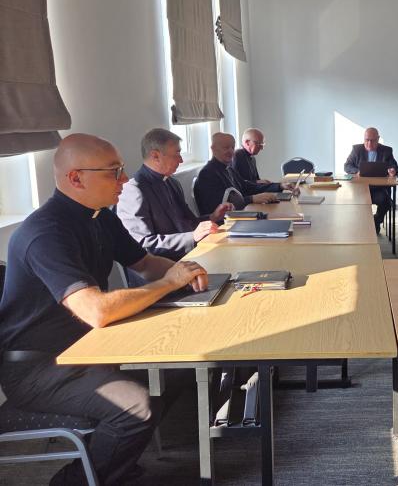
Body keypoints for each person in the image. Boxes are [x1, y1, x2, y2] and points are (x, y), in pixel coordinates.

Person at [0, 134, 209, 485]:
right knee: (137, 406)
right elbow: (96, 311)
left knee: (177, 369)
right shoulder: (45, 233)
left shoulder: (99, 217)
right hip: (39, 367)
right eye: (114, 172)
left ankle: (114, 458)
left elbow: (145, 263)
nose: (124, 179)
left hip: (88, 347)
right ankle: (76, 480)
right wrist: (169, 283)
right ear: (76, 178)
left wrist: (188, 272)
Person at [117, 128, 233, 262]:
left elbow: (188, 223)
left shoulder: (172, 182)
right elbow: (143, 244)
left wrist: (213, 216)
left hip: (192, 254)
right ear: (155, 156)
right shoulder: (134, 190)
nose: (181, 160)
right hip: (165, 266)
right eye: (177, 154)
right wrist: (192, 237)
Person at [193, 132, 277, 215]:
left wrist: (278, 186)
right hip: (224, 221)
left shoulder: (229, 169)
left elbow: (247, 187)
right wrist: (252, 199)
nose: (231, 151)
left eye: (232, 148)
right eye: (226, 147)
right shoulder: (207, 173)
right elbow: (222, 206)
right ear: (213, 148)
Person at [344, 127, 398, 234]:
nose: (369, 143)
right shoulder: (357, 149)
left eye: (373, 140)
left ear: (378, 139)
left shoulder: (386, 151)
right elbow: (347, 166)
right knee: (358, 204)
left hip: (379, 189)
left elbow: (394, 166)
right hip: (360, 189)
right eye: (367, 140)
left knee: (387, 202)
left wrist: (393, 170)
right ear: (363, 138)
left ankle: (376, 221)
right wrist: (356, 171)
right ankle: (362, 226)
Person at [231, 128, 284, 193]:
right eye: (259, 144)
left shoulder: (252, 158)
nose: (262, 148)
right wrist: (278, 186)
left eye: (262, 145)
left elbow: (257, 181)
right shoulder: (237, 155)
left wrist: (274, 185)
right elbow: (238, 184)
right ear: (247, 142)